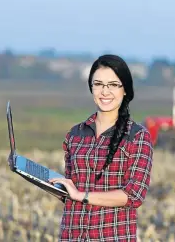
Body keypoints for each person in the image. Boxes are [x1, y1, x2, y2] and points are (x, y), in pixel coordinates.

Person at [49, 54, 153, 242]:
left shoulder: (137, 136)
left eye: (113, 85)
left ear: (125, 91)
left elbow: (134, 195)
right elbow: (72, 193)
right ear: (91, 88)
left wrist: (82, 195)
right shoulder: (75, 134)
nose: (105, 91)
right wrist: (52, 185)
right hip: (72, 236)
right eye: (98, 84)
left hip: (111, 236)